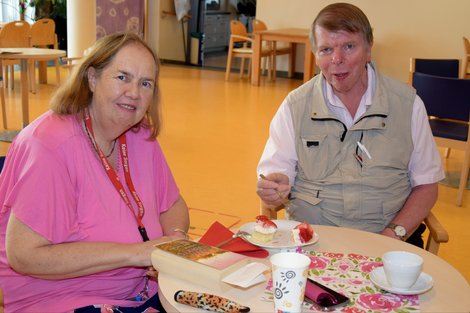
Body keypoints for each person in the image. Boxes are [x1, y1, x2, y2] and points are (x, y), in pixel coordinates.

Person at [0, 32, 189, 312]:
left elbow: (172, 204)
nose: (134, 93)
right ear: (92, 78)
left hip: (143, 292)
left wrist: (175, 239)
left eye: (145, 83)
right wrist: (139, 254)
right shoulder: (50, 145)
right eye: (122, 77)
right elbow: (25, 256)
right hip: (63, 298)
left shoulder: (140, 135)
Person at [256, 3, 444, 246]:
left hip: (388, 242)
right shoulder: (295, 106)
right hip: (312, 243)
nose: (337, 59)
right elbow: (275, 181)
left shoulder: (408, 106)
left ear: (368, 48)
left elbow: (427, 185)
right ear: (315, 55)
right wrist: (273, 188)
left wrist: (391, 236)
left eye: (349, 46)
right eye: (325, 49)